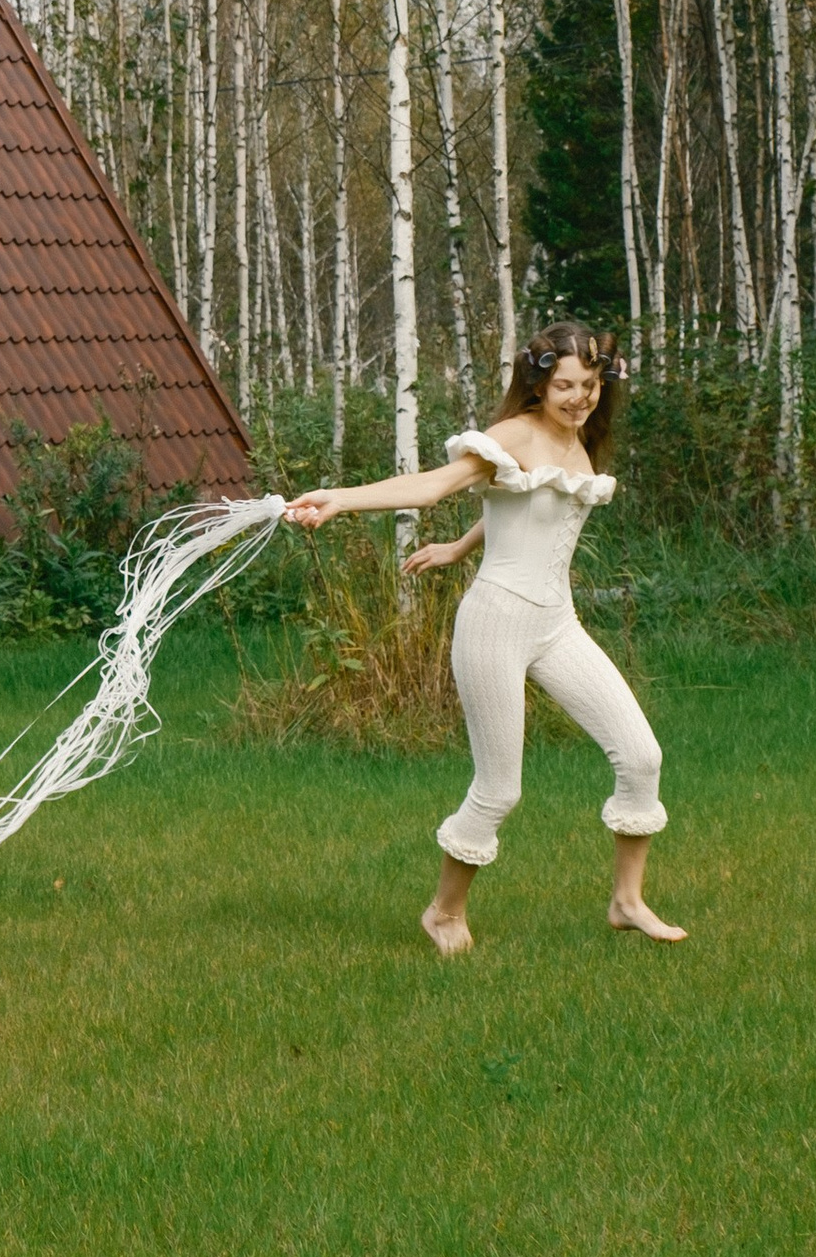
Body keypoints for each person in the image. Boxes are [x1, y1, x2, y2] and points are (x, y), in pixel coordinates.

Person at [283, 324, 682, 959]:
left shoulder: (579, 439)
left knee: (641, 758)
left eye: (590, 384)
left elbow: (524, 500)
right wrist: (341, 500)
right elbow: (436, 485)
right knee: (500, 789)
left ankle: (627, 902)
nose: (579, 398)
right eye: (564, 387)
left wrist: (460, 546)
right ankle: (444, 912)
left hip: (557, 623)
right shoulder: (514, 434)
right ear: (538, 383)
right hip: (495, 622)